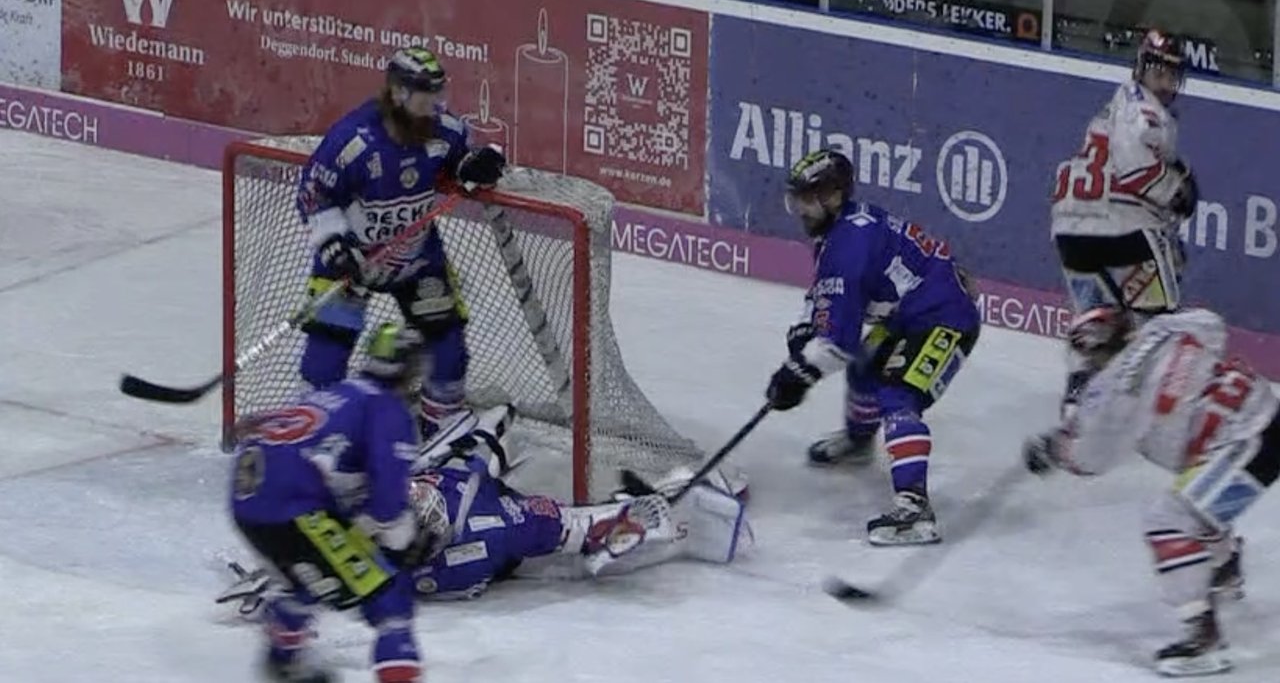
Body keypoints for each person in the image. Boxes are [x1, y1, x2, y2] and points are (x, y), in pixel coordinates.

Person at [220, 409, 751, 612]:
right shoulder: (491, 531)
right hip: (494, 537)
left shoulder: (383, 515)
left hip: (461, 505)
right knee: (566, 526)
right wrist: (624, 521)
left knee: (489, 424)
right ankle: (681, 506)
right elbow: (564, 529)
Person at [1023, 306, 1277, 677]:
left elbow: (1092, 458)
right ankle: (1223, 566)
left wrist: (1053, 449)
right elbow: (1213, 322)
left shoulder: (1114, 393)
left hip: (1244, 447)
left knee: (1168, 520)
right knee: (1195, 499)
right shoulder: (1168, 327)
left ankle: (1203, 638)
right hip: (1264, 412)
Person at [764, 148, 981, 546]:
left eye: (808, 199)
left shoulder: (848, 246)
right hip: (909, 314)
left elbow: (838, 343)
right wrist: (802, 333)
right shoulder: (842, 229)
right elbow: (824, 295)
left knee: (899, 395)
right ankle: (860, 442)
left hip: (945, 319)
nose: (801, 211)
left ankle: (915, 509)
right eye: (797, 200)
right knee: (864, 368)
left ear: (834, 196)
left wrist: (797, 373)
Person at [295, 47, 506, 442]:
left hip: (415, 259)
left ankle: (441, 427)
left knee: (449, 345)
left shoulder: (446, 131)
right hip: (353, 262)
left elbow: (461, 165)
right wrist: (334, 246)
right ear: (397, 93)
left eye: (439, 93)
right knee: (326, 354)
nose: (435, 104)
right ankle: (317, 432)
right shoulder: (353, 141)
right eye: (426, 95)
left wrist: (480, 164)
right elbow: (313, 193)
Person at [230, 322, 439, 683]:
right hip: (292, 507)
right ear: (409, 368)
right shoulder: (386, 407)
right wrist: (396, 538)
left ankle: (283, 664)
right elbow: (389, 500)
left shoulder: (333, 393)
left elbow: (258, 431)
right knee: (390, 598)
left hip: (245, 504)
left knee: (311, 578)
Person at [1050, 28, 1199, 410]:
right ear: (1141, 68)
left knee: (1096, 323)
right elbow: (1135, 167)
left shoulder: (1114, 106)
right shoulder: (1143, 111)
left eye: (1171, 75)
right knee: (1159, 320)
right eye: (1158, 72)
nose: (1164, 82)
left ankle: (1080, 402)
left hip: (1069, 230)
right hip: (1121, 226)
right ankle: (1157, 406)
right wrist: (1176, 189)